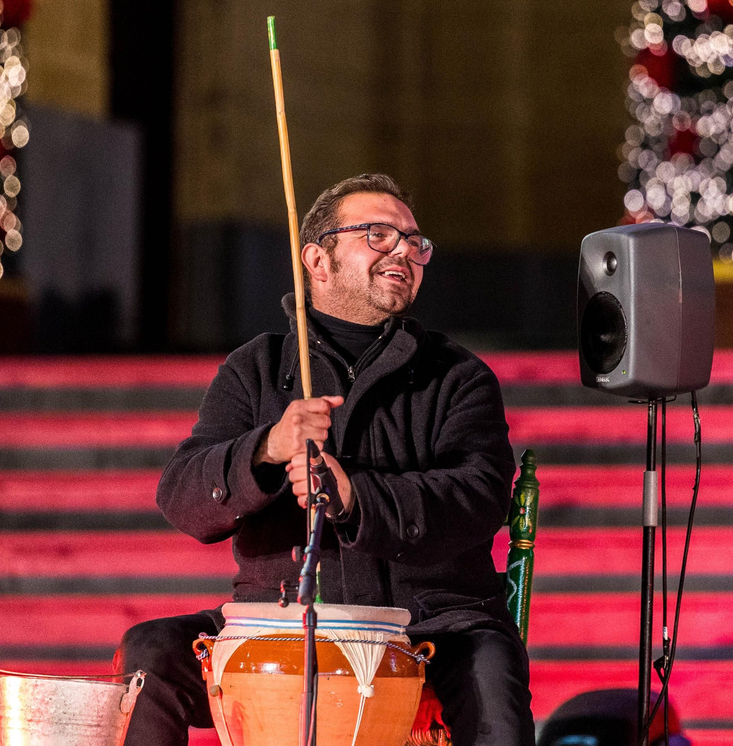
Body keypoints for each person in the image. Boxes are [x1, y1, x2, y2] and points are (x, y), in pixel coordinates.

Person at [116, 173, 535, 746]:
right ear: (318, 257)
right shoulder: (256, 368)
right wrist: (266, 448)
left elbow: (478, 495)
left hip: (428, 625)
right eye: (379, 235)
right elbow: (183, 497)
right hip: (277, 620)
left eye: (415, 243)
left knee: (493, 673)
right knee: (149, 651)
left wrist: (355, 496)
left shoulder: (457, 376)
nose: (404, 252)